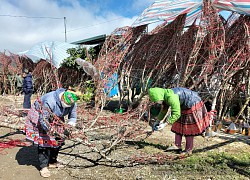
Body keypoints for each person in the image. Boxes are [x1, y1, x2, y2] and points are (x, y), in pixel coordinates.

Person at [24, 87, 82, 178]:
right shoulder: (49, 100)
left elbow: (73, 115)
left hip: (56, 116)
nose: (67, 107)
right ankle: (43, 166)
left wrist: (70, 126)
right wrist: (50, 131)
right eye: (65, 105)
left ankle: (52, 161)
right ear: (62, 98)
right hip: (41, 115)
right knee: (44, 142)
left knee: (58, 140)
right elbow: (43, 119)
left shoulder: (73, 101)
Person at [148, 87, 210, 155]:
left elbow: (176, 114)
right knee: (178, 126)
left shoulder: (171, 97)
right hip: (183, 105)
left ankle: (188, 150)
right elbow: (164, 110)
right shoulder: (165, 96)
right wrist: (157, 121)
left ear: (159, 96)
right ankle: (177, 146)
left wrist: (165, 124)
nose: (157, 102)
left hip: (192, 104)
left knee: (188, 129)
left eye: (157, 100)